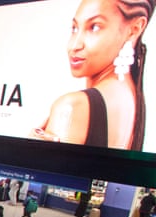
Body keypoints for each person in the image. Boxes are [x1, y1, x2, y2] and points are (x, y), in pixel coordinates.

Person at [32, 0, 151, 151]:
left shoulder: (72, 107)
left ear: (134, 29)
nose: (75, 46)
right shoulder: (132, 97)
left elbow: (45, 175)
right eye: (74, 28)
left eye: (94, 27)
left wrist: (26, 157)